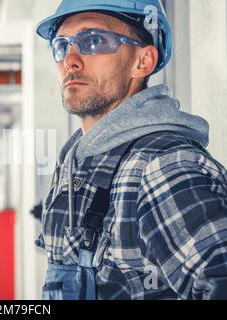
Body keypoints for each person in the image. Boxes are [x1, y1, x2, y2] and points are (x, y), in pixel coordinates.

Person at [35, 0, 227, 300]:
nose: (70, 60)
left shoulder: (161, 165)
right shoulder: (74, 163)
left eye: (93, 41)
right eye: (61, 45)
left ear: (143, 61)